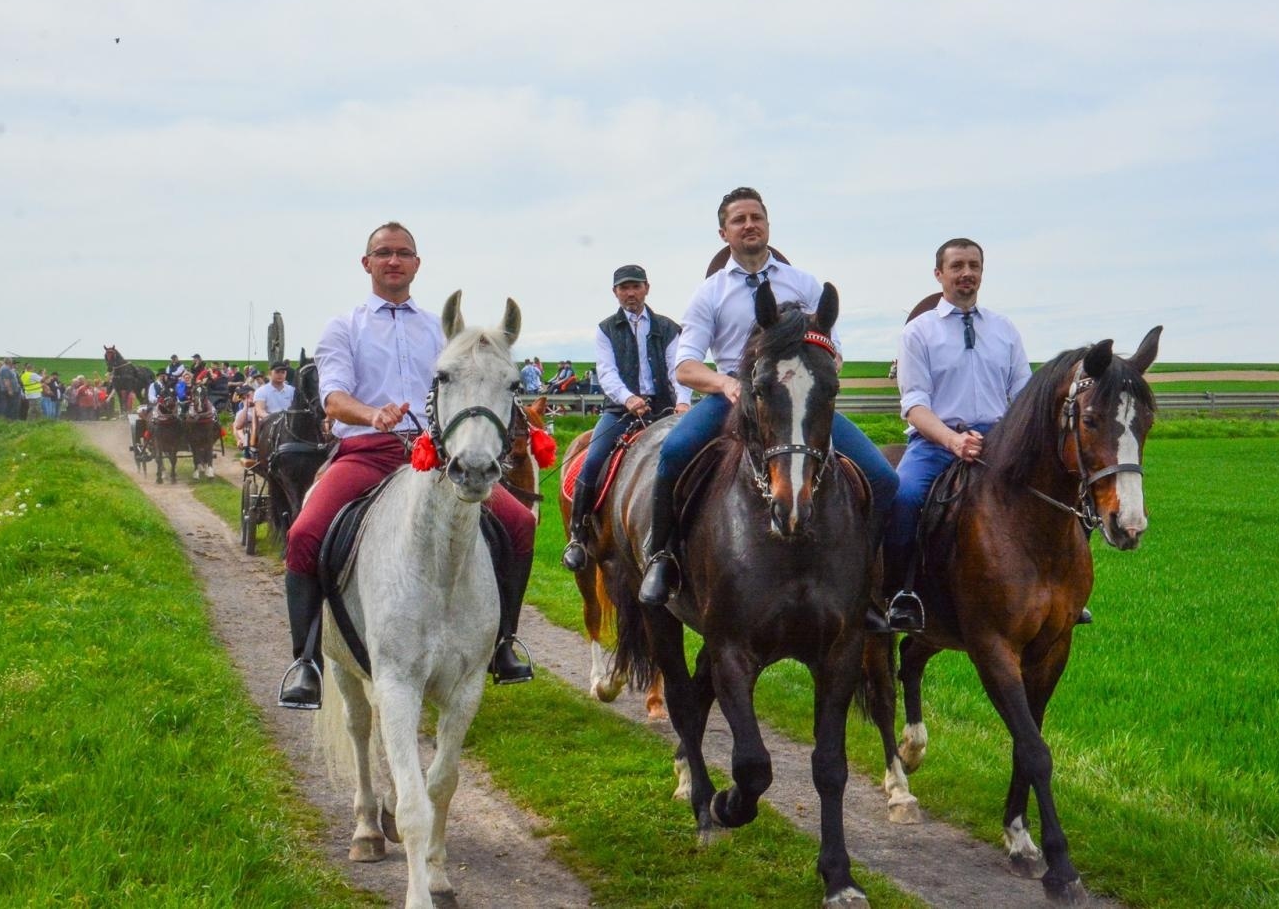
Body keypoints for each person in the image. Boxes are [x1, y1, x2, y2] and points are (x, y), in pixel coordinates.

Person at [276, 221, 538, 709]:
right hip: (367, 453)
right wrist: (371, 413)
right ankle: (306, 661)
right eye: (383, 253)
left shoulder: (439, 330)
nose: (393, 260)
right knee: (304, 534)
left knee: (520, 523)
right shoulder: (344, 326)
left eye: (403, 253)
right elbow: (333, 398)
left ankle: (503, 642)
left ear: (417, 263)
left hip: (432, 458)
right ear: (367, 263)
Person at [639, 186, 899, 607]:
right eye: (738, 220)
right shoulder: (711, 293)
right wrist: (725, 384)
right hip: (733, 396)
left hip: (795, 401)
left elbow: (834, 349)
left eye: (755, 217)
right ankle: (661, 556)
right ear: (724, 233)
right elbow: (685, 366)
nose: (749, 225)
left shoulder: (804, 283)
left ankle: (866, 584)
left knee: (883, 479)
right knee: (674, 452)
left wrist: (825, 367)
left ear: (767, 224)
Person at [883, 238, 1031, 631]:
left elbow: (1023, 395)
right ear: (939, 274)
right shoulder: (919, 332)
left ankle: (1058, 591)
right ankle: (901, 593)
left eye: (974, 265)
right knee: (903, 499)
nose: (967, 273)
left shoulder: (1005, 330)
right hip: (935, 443)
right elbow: (914, 404)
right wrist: (952, 440)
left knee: (1052, 495)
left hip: (999, 443)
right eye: (957, 266)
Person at [561, 264, 692, 572]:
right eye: (624, 288)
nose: (630, 293)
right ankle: (578, 535)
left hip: (665, 409)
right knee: (592, 460)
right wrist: (628, 398)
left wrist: (683, 403)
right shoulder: (606, 329)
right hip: (621, 410)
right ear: (615, 292)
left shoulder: (668, 327)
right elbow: (606, 372)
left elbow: (679, 368)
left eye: (635, 286)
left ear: (647, 288)